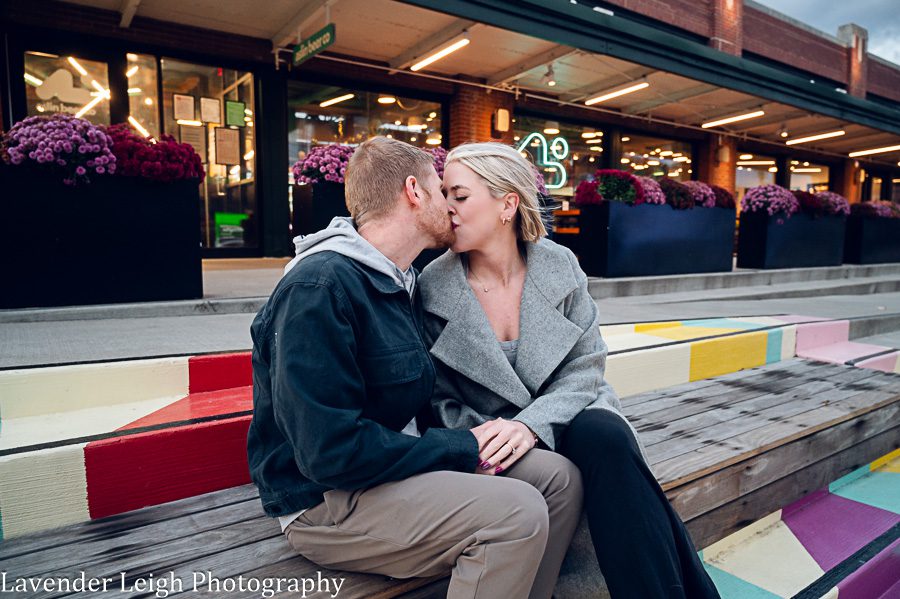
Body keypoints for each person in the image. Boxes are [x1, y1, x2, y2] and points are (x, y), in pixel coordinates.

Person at [246, 136, 583, 599]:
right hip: (327, 501)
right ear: (413, 191)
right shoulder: (319, 288)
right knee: (517, 512)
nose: (451, 207)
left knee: (560, 480)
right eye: (442, 191)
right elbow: (328, 454)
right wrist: (459, 448)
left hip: (393, 472)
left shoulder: (398, 279)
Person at [419, 142, 721, 599]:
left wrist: (531, 425)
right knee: (607, 458)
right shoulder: (432, 287)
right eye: (444, 194)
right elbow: (437, 399)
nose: (447, 207)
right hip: (492, 437)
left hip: (567, 415)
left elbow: (586, 365)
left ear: (507, 205)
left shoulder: (559, 265)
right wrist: (498, 436)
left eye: (459, 195)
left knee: (606, 433)